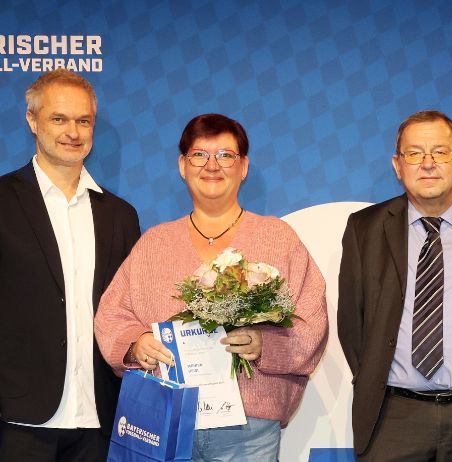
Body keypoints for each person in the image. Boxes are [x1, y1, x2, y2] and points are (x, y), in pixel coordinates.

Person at [94, 113, 328, 461]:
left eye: (225, 155)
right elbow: (111, 314)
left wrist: (265, 344)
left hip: (248, 430)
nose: (212, 165)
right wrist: (135, 344)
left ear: (243, 166)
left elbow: (312, 321)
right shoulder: (154, 243)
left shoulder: (278, 239)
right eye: (199, 155)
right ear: (182, 166)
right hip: (163, 422)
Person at [338, 110, 452, 461]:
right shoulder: (365, 229)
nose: (427, 164)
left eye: (440, 152)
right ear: (397, 165)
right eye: (414, 153)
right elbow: (352, 323)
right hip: (393, 417)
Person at [0, 69, 141, 461]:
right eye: (59, 119)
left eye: (84, 120)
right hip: (17, 419)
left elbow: (129, 309)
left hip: (100, 417)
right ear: (32, 121)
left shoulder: (121, 216)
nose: (73, 132)